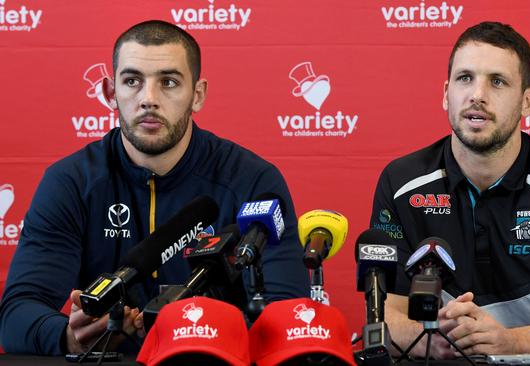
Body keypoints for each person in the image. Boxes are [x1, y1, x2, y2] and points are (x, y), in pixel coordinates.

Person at [0, 20, 309, 355]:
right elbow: (17, 313)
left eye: (169, 82)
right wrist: (67, 336)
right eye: (132, 81)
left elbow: (286, 316)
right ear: (109, 92)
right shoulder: (72, 182)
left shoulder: (252, 181)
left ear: (198, 94)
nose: (148, 99)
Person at [369, 21, 530, 358]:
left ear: (527, 101)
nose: (477, 95)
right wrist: (436, 340)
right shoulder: (401, 182)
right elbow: (382, 319)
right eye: (465, 78)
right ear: (446, 94)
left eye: (497, 82)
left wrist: (511, 342)